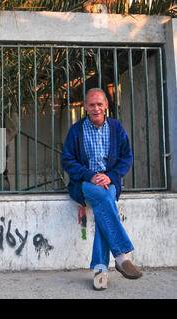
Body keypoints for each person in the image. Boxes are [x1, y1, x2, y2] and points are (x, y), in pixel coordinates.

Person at [61, 88, 142, 291]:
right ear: (85, 107)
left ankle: (100, 269)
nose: (95, 108)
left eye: (99, 104)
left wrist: (110, 176)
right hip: (85, 182)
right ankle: (121, 256)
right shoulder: (76, 130)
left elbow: (127, 157)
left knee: (103, 205)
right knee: (105, 201)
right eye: (91, 104)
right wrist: (90, 175)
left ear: (106, 105)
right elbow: (67, 160)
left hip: (110, 181)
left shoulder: (116, 127)